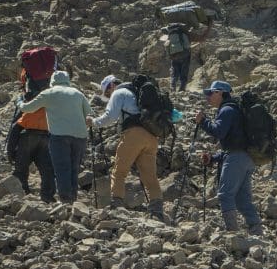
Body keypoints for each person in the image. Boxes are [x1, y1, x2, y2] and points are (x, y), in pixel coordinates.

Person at [87, 75, 165, 220]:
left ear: (111, 86)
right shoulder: (137, 93)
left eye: (107, 93)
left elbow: (110, 117)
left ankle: (117, 205)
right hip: (152, 137)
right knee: (150, 176)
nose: (108, 96)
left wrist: (94, 122)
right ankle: (157, 210)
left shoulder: (119, 93)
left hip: (133, 135)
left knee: (119, 171)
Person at [196, 80, 264, 235]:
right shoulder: (236, 110)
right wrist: (213, 158)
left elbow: (218, 132)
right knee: (242, 199)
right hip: (247, 159)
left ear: (220, 92)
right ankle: (256, 230)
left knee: (225, 194)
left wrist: (203, 121)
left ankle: (232, 232)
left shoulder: (227, 110)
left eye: (210, 93)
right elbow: (234, 144)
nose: (208, 97)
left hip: (236, 159)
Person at [18, 71, 90, 204]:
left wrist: (19, 102)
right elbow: (89, 114)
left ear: (52, 81)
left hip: (60, 136)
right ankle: (73, 199)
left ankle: (65, 200)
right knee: (74, 167)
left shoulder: (49, 93)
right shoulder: (78, 93)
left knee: (62, 167)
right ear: (67, 80)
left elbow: (28, 109)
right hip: (80, 136)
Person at [10, 84, 56, 203]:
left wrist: (10, 151)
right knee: (47, 169)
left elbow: (16, 129)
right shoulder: (49, 109)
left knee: (21, 167)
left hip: (28, 138)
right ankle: (47, 196)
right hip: (46, 138)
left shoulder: (30, 110)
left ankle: (23, 193)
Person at [161, 24, 192, 92]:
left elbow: (167, 45)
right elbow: (187, 46)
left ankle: (172, 87)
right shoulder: (183, 34)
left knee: (174, 72)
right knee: (184, 71)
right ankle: (182, 88)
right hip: (184, 55)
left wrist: (170, 55)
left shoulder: (170, 35)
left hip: (174, 56)